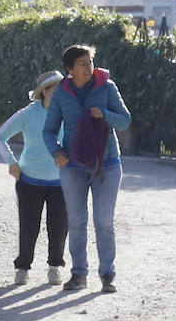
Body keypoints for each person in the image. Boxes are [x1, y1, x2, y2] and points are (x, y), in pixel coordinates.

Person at [43, 43, 132, 294]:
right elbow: (49, 131)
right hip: (72, 166)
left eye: (90, 62)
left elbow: (125, 121)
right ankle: (78, 274)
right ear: (70, 69)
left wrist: (103, 114)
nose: (89, 68)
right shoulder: (61, 93)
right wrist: (56, 152)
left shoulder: (107, 87)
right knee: (77, 221)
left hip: (108, 164)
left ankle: (107, 274)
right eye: (83, 64)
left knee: (104, 220)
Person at [0, 70, 68, 286]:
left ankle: (55, 267)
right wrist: (11, 163)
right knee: (29, 226)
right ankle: (22, 268)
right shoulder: (27, 114)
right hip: (29, 181)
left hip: (60, 181)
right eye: (58, 87)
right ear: (45, 91)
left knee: (59, 225)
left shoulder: (68, 113)